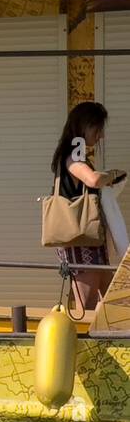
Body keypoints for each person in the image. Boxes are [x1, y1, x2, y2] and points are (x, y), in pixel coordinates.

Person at [51, 101, 126, 311]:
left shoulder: (75, 155)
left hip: (91, 242)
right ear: (85, 125)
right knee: (89, 308)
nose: (100, 136)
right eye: (98, 129)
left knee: (114, 304)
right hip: (81, 242)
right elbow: (92, 180)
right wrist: (111, 175)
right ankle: (91, 344)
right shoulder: (72, 157)